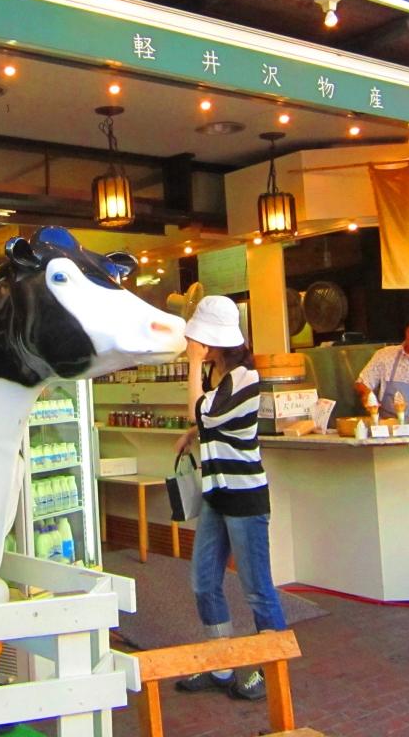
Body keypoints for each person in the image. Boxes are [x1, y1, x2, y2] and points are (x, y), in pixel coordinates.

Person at [172, 295, 288, 702]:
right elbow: (212, 420)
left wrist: (192, 365)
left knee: (258, 589)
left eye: (200, 341)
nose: (196, 346)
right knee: (204, 582)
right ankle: (220, 665)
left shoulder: (244, 377)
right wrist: (195, 434)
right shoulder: (224, 376)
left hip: (244, 498)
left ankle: (271, 671)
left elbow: (199, 412)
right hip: (217, 495)